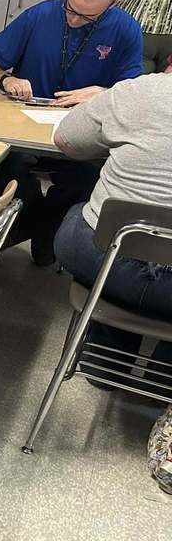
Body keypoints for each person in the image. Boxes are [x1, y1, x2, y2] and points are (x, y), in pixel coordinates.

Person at [0, 0, 144, 265]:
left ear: (115, 4)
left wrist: (103, 92)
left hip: (80, 133)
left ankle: (34, 227)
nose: (74, 20)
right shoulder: (41, 15)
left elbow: (135, 90)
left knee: (89, 180)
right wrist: (5, 79)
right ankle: (40, 226)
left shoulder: (126, 29)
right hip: (23, 125)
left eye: (86, 16)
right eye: (70, 9)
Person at [52, 70, 172, 395]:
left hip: (107, 259)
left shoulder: (135, 91)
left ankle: (105, 366)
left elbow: (66, 140)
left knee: (85, 215)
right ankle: (162, 382)